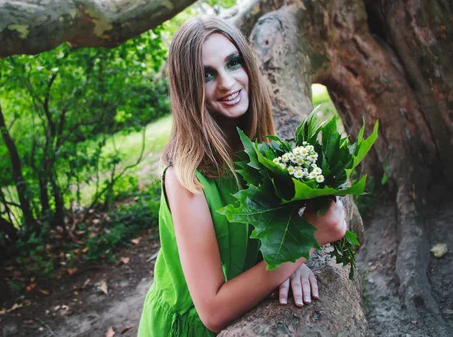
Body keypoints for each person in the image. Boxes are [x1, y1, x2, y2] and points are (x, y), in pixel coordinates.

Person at [137, 17, 347, 336]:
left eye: (233, 63)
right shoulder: (186, 179)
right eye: (206, 75)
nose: (226, 82)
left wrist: (292, 262)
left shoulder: (266, 150)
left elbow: (272, 235)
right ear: (187, 89)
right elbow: (213, 311)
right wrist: (309, 239)